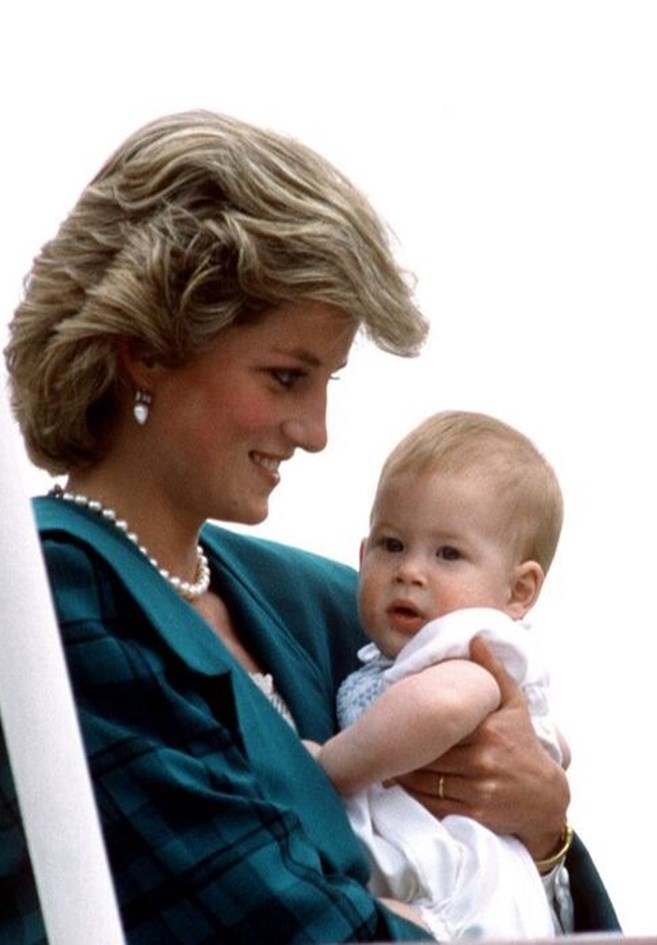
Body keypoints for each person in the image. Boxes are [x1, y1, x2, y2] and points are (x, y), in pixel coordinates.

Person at [0, 110, 619, 943]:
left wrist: (546, 833)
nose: (316, 429)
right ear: (146, 350)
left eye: (326, 379)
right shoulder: (51, 599)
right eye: (287, 376)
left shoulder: (332, 601)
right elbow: (271, 923)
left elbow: (534, 884)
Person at [312, 411, 579, 939]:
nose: (410, 570)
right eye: (391, 545)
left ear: (518, 591)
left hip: (459, 893)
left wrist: (325, 768)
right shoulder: (409, 655)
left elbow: (443, 707)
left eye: (448, 554)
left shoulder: (470, 642)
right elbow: (557, 749)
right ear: (362, 555)